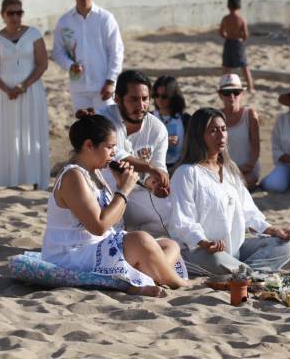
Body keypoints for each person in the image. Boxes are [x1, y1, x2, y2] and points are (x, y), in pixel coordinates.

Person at [42, 115, 188, 297]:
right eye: (110, 147)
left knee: (169, 245)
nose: (114, 153)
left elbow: (113, 221)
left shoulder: (95, 172)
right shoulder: (73, 176)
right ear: (89, 145)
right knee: (141, 240)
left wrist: (120, 186)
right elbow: (98, 226)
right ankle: (177, 282)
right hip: (73, 253)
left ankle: (141, 280)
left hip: (98, 246)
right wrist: (124, 191)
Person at [168, 108, 290, 275]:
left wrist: (273, 230)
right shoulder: (187, 172)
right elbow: (182, 222)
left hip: (234, 250)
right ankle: (249, 273)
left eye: (223, 129)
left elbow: (248, 211)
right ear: (198, 135)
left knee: (285, 246)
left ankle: (245, 273)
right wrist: (204, 242)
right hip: (201, 251)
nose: (221, 136)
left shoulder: (230, 169)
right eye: (213, 131)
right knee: (217, 260)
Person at [0, 0, 50, 190]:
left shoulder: (33, 34)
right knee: (9, 134)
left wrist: (24, 85)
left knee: (33, 133)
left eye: (19, 13)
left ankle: (37, 179)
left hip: (31, 90)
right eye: (10, 13)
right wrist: (7, 89)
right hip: (5, 94)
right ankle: (9, 180)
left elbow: (42, 64)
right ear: (2, 15)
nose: (15, 17)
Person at [96, 70, 171, 236]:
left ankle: (134, 236)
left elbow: (158, 168)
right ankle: (123, 234)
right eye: (134, 99)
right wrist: (150, 168)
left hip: (136, 194)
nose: (141, 106)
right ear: (117, 99)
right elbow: (115, 156)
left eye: (145, 99)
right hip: (104, 193)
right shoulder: (103, 118)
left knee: (171, 212)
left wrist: (156, 184)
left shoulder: (158, 129)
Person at [52, 0, 123, 114]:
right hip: (78, 88)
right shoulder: (64, 21)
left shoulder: (105, 18)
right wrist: (70, 65)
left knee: (106, 124)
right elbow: (58, 52)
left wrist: (111, 81)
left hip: (103, 85)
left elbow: (116, 51)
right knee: (84, 125)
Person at [218, 73, 261, 187]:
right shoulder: (215, 117)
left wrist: (249, 165)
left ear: (242, 94)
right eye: (227, 93)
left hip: (246, 170)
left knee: (247, 180)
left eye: (236, 92)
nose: (232, 96)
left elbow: (255, 147)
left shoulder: (250, 115)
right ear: (220, 95)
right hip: (223, 169)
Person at [152, 76, 191, 171]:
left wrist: (176, 168)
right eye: (156, 95)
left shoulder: (185, 120)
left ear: (174, 97)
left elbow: (189, 150)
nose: (159, 99)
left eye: (164, 96)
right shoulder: (148, 118)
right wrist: (163, 142)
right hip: (152, 168)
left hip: (178, 168)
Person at [219, 0, 254, 92]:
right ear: (239, 6)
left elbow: (221, 32)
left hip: (228, 43)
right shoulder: (241, 19)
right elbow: (245, 34)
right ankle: (250, 87)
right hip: (238, 43)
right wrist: (241, 39)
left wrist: (227, 36)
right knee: (244, 66)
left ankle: (223, 86)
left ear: (228, 6)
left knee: (226, 67)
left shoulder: (225, 19)